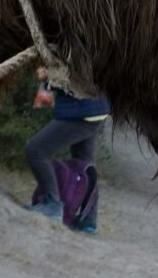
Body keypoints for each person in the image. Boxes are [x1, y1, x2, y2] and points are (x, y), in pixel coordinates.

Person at [25, 69, 110, 234]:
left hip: (82, 111)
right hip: (95, 110)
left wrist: (48, 76)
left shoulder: (73, 46)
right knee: (84, 163)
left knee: (36, 150)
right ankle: (88, 220)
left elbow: (75, 75)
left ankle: (52, 205)